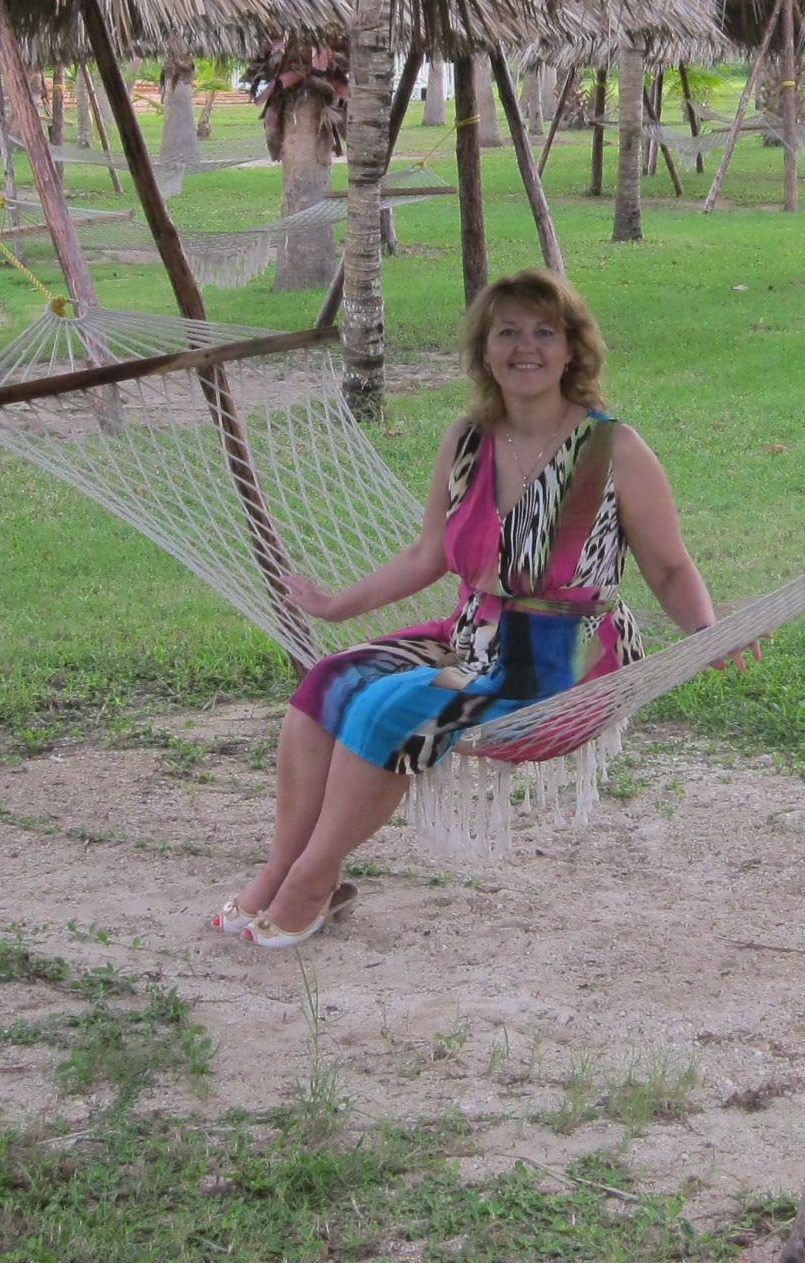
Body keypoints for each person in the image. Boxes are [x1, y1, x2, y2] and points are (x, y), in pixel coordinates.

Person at [215, 266, 747, 945]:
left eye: (544, 332)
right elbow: (428, 554)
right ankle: (280, 868)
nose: (526, 347)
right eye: (507, 333)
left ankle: (310, 884)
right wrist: (336, 606)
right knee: (330, 680)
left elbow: (669, 566)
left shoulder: (614, 449)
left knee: (387, 708)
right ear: (485, 351)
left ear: (572, 348)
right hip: (474, 635)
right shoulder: (468, 440)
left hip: (561, 658)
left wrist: (706, 631)